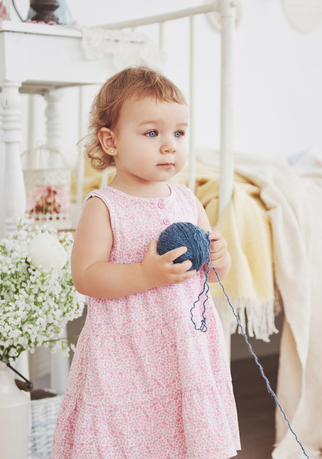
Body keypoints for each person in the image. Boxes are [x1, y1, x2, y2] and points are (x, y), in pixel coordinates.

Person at [50, 66, 241, 458]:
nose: (169, 145)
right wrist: (144, 274)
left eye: (179, 132)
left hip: (181, 347)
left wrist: (220, 257)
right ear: (111, 141)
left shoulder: (186, 200)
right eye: (152, 133)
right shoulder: (104, 206)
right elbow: (85, 276)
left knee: (177, 433)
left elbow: (211, 272)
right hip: (125, 354)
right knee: (125, 436)